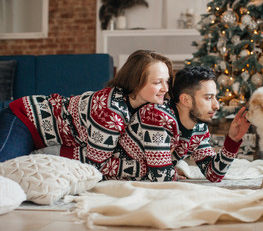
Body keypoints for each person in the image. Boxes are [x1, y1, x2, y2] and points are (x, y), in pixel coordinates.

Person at [0, 50, 174, 179]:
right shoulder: (112, 114)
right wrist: (147, 168)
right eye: (157, 82)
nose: (165, 88)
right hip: (25, 120)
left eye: (166, 81)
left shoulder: (146, 104)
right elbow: (96, 167)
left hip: (50, 138)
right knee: (4, 172)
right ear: (136, 82)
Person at [103, 66, 250, 182]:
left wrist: (233, 140)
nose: (216, 105)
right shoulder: (156, 115)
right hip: (107, 175)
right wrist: (167, 171)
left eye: (215, 97)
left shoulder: (199, 127)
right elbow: (162, 177)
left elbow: (214, 174)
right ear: (186, 100)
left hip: (137, 178)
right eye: (208, 98)